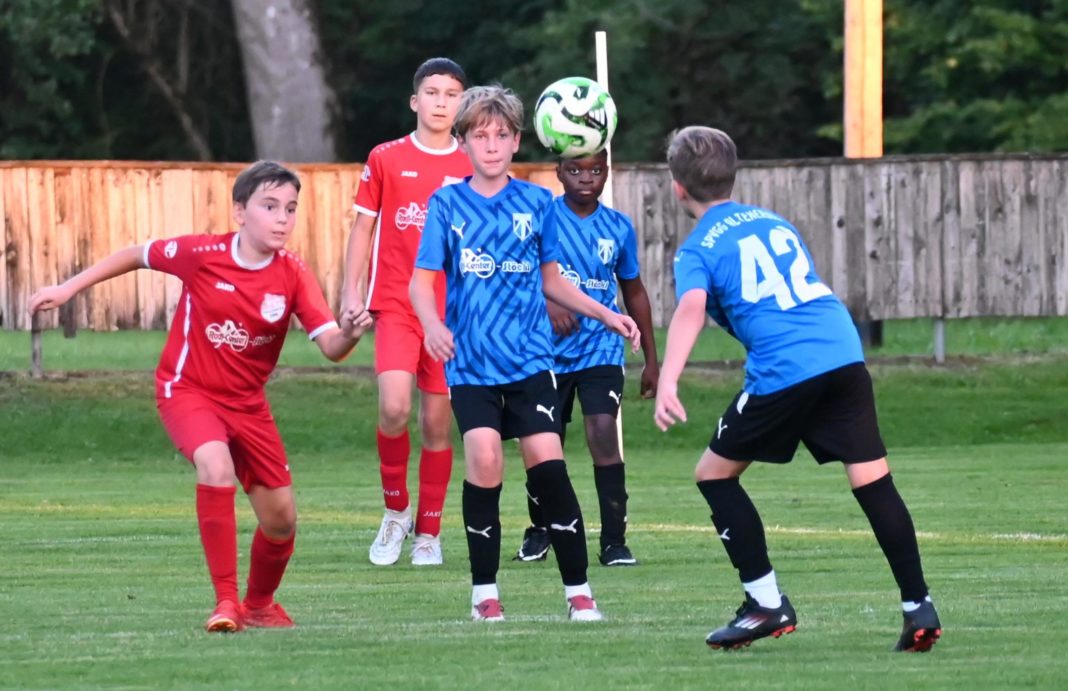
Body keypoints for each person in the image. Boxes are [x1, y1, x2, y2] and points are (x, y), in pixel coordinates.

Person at [28, 161, 373, 633]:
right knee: (216, 467)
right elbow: (135, 253)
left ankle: (258, 604)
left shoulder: (292, 273)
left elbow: (332, 347)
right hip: (188, 390)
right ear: (239, 212)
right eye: (269, 206)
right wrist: (67, 288)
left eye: (290, 209)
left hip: (248, 404)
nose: (281, 219)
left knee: (282, 521)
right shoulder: (202, 253)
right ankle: (226, 602)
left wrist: (351, 331)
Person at [654, 126, 941, 652]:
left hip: (786, 367)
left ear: (677, 188)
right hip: (842, 350)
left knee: (713, 476)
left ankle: (765, 604)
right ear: (733, 174)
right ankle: (917, 606)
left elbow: (692, 308)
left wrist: (668, 379)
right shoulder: (771, 220)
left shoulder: (696, 249)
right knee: (873, 481)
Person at [409, 85, 641, 622]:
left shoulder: (537, 203)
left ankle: (579, 591)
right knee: (485, 459)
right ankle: (484, 593)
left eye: (501, 135)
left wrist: (607, 313)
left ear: (516, 141)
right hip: (471, 365)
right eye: (479, 135)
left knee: (549, 468)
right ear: (463, 141)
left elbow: (552, 279)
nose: (491, 144)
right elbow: (422, 282)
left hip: (533, 364)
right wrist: (430, 325)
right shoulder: (447, 204)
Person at [341, 58, 471, 567]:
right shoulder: (386, 158)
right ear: (415, 101)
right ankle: (396, 511)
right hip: (394, 304)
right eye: (432, 93)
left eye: (451, 94)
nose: (441, 102)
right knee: (394, 408)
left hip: (451, 315)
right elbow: (362, 230)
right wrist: (352, 293)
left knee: (437, 425)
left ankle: (429, 534)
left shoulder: (472, 165)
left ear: (461, 104)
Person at [514, 149, 659, 567]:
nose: (585, 178)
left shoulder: (617, 227)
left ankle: (614, 541)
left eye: (595, 170)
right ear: (558, 172)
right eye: (574, 169)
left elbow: (633, 290)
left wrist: (652, 359)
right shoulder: (542, 218)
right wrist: (549, 303)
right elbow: (520, 276)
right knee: (546, 443)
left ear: (607, 173)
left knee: (601, 433)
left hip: (600, 348)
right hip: (545, 353)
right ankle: (540, 529)